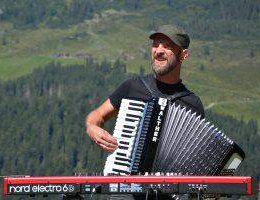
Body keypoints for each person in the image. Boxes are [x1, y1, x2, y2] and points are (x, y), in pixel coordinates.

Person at [85, 25, 205, 200]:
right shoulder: (133, 87)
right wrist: (92, 127)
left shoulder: (192, 104)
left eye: (167, 46)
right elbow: (97, 115)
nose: (159, 51)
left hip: (167, 195)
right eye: (155, 45)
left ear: (183, 55)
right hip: (126, 191)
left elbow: (195, 158)